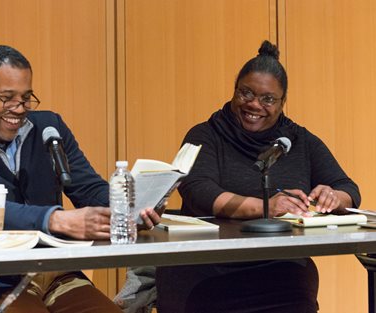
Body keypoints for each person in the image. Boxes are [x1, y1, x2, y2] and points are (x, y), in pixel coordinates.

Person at [0, 44, 161, 313]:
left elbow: (86, 187)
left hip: (58, 272)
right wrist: (55, 219)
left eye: (26, 97)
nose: (20, 109)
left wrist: (130, 207)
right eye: (8, 98)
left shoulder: (49, 128)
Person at [155, 40, 361, 313]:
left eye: (268, 99)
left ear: (282, 102)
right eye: (245, 93)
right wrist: (266, 207)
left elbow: (348, 189)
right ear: (234, 91)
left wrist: (334, 197)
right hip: (208, 269)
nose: (254, 105)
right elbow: (198, 191)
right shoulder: (205, 135)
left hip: (281, 269)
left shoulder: (299, 140)